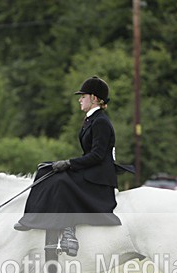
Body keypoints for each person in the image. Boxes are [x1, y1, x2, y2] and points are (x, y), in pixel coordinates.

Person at [14, 76, 128, 256]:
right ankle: (31, 217)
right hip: (92, 170)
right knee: (46, 170)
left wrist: (69, 163)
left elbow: (97, 156)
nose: (79, 99)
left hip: (99, 177)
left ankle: (69, 232)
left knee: (61, 182)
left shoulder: (101, 122)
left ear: (95, 98)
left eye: (83, 96)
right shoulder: (91, 120)